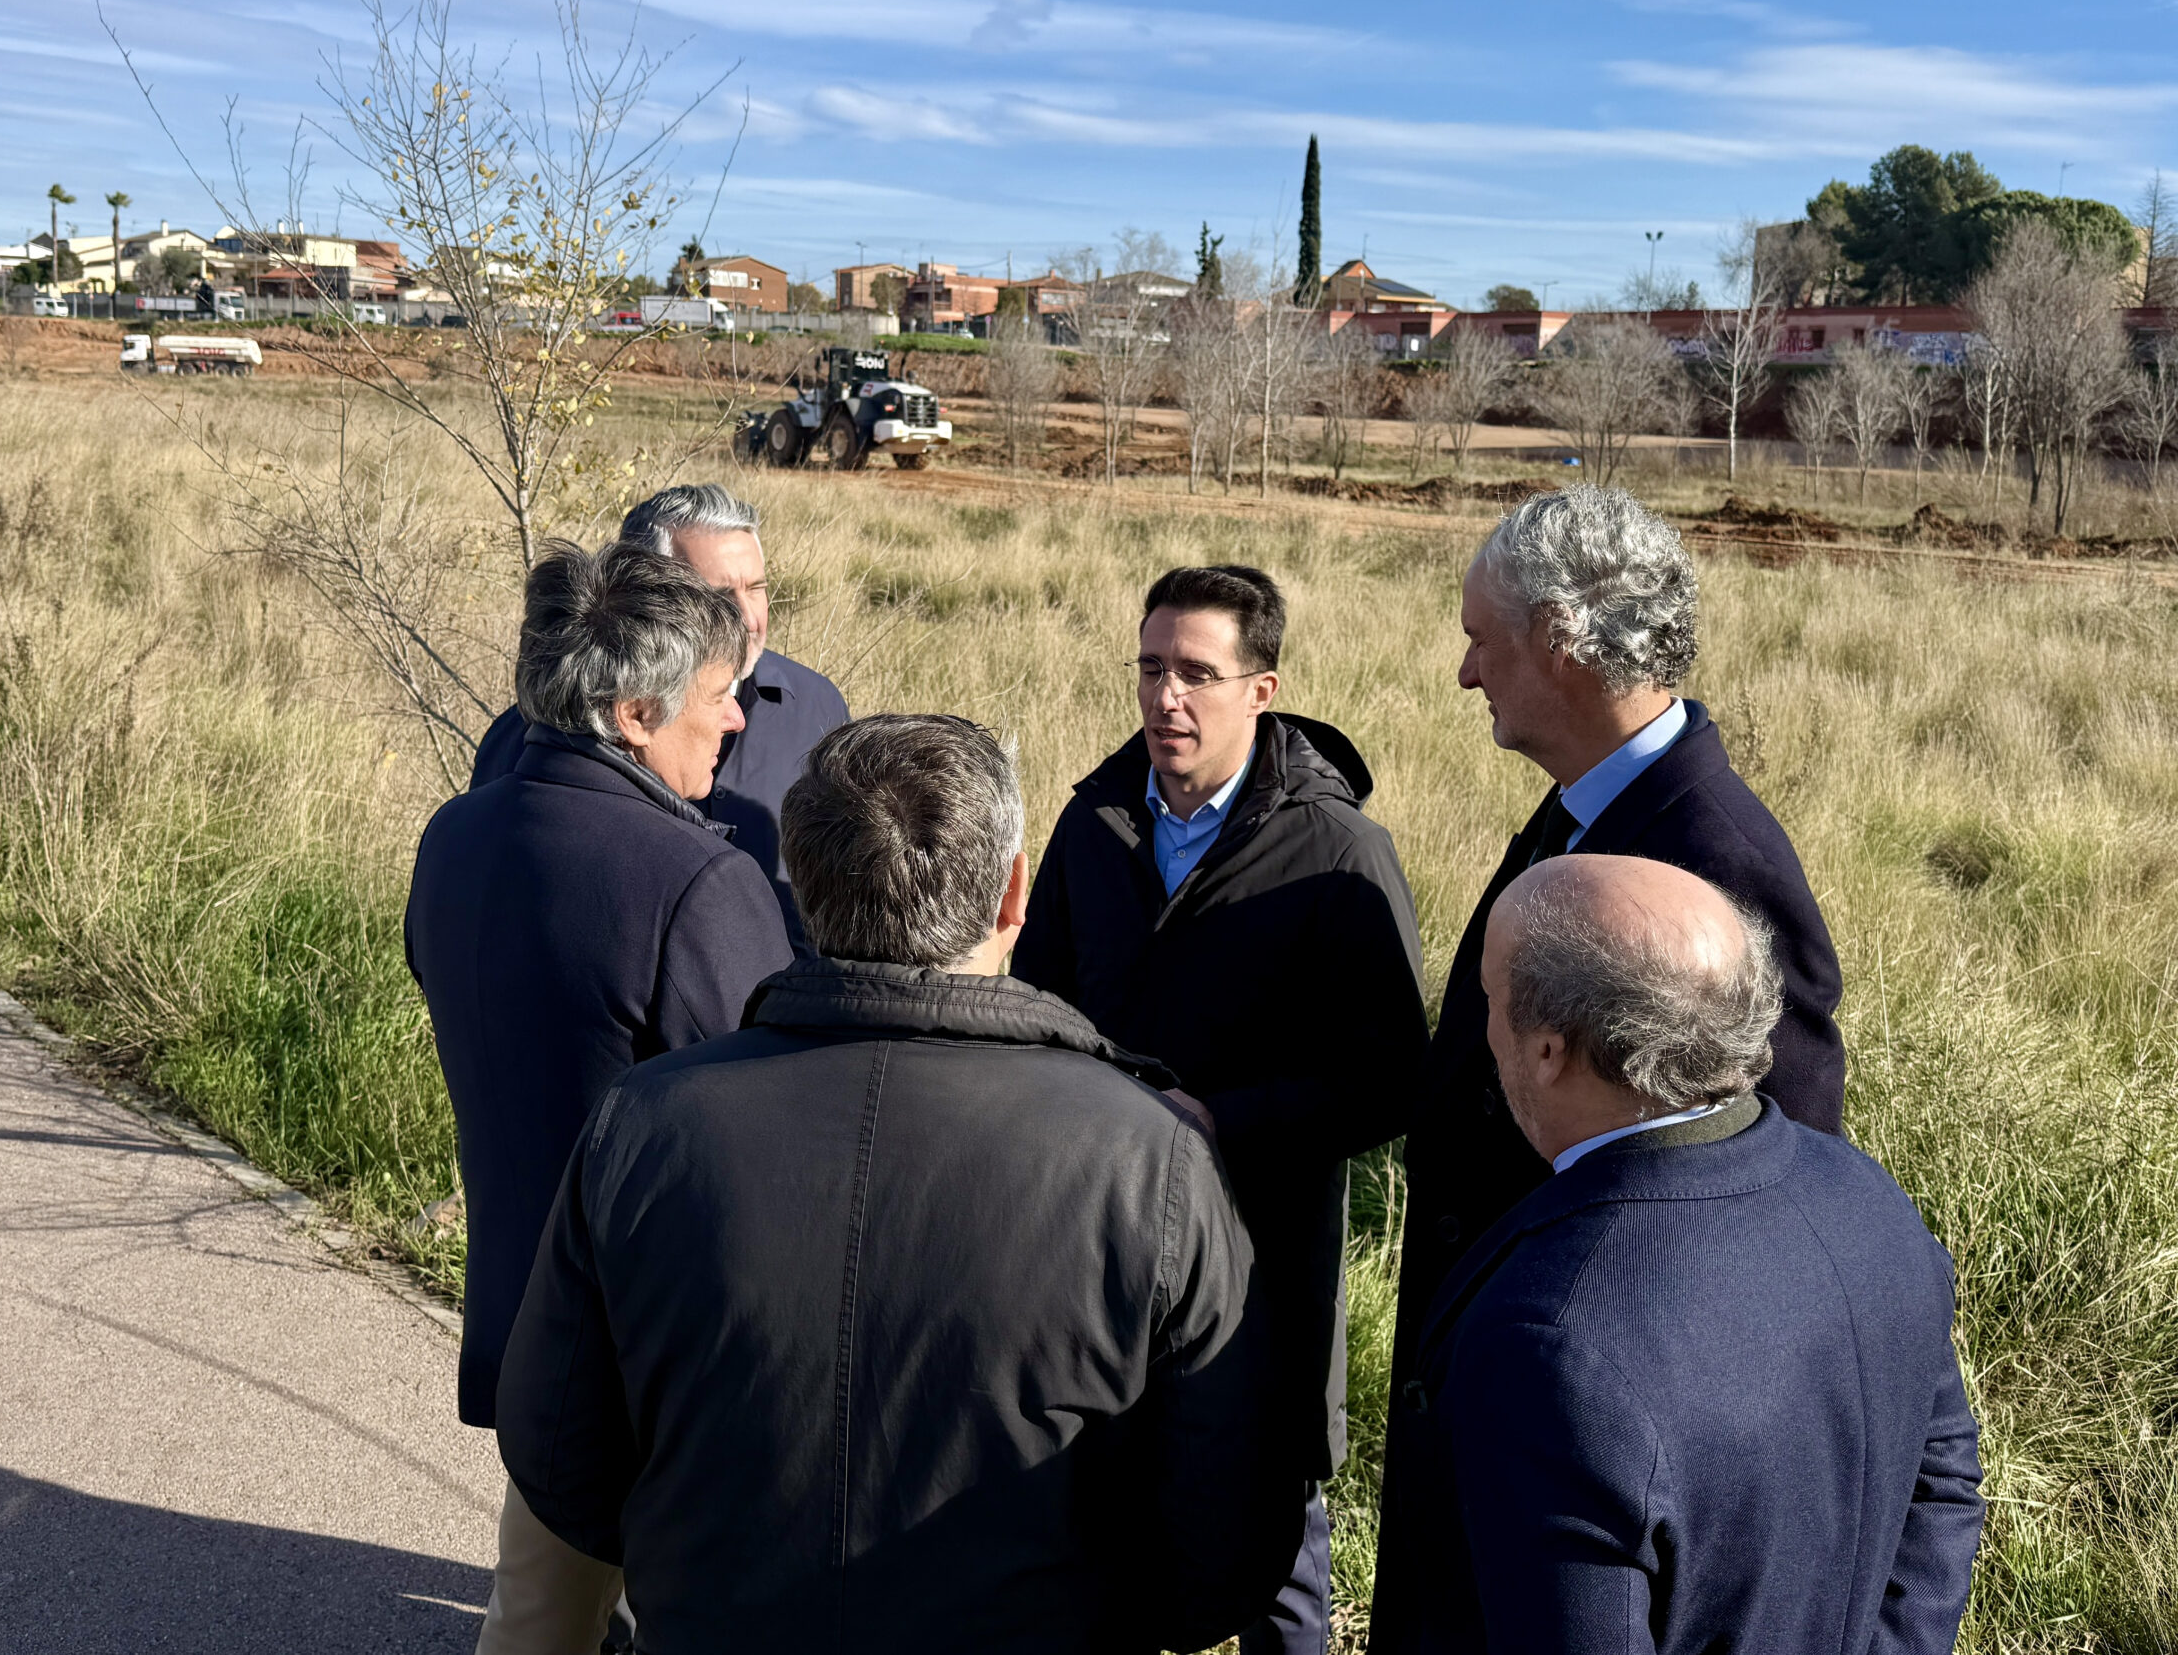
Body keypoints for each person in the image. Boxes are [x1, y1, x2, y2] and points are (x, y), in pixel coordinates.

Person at [497, 715, 1306, 1655]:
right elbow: (1228, 1542)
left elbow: (560, 1458)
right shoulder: (1150, 1161)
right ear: (1013, 893)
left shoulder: (646, 1123)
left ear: (804, 890)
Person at [1370, 853, 1982, 1652]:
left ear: (1549, 1050)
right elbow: (1945, 1484)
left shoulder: (1549, 1345)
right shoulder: (1869, 1198)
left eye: (1490, 998)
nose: (1484, 1030)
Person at [1011, 565, 1429, 1655]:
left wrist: (1223, 1120)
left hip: (1260, 1263)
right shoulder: (1093, 825)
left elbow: (1391, 1077)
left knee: (1275, 1549)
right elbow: (1035, 1002)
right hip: (1098, 1248)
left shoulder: (1338, 854)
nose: (1167, 697)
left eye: (1197, 672)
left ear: (1262, 689)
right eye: (1151, 667)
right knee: (1099, 1519)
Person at [405, 540, 792, 1653]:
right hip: (668, 1359)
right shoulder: (696, 881)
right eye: (716, 697)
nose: (735, 719)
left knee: (536, 1617)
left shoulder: (454, 834)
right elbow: (772, 1117)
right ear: (634, 713)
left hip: (526, 1320)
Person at [1391, 486, 1847, 1373]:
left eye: (1481, 639)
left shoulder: (1719, 863)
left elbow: (1777, 1178)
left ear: (1557, 640)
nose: (1466, 673)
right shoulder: (1587, 804)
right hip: (1501, 1346)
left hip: (1585, 1373)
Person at [475, 483, 850, 948]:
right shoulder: (530, 736)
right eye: (717, 597)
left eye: (756, 588)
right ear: (646, 597)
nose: (748, 619)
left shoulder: (816, 708)